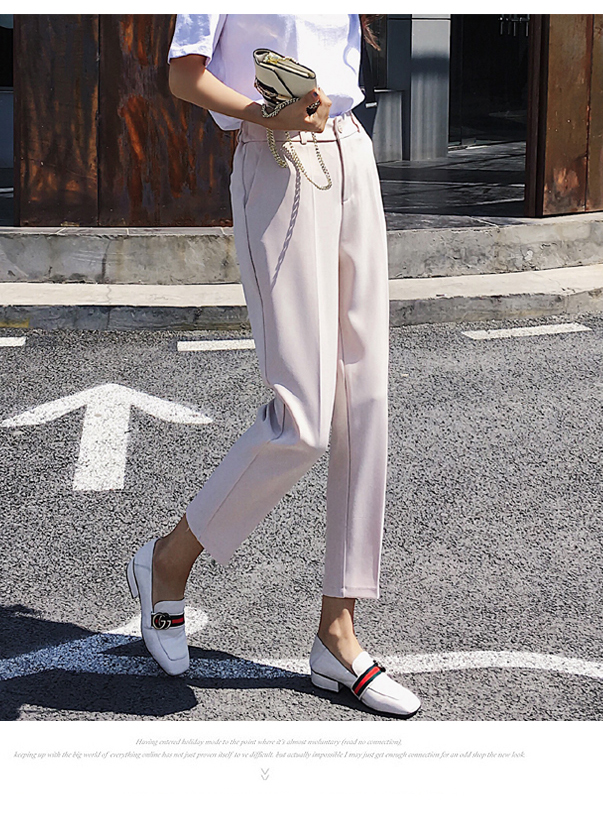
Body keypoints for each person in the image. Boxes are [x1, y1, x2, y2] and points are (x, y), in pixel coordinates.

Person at [125, 14, 421, 718]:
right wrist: (264, 113)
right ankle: (168, 560)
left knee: (364, 401)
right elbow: (184, 75)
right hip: (276, 158)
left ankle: (337, 634)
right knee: (303, 419)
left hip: (351, 150)